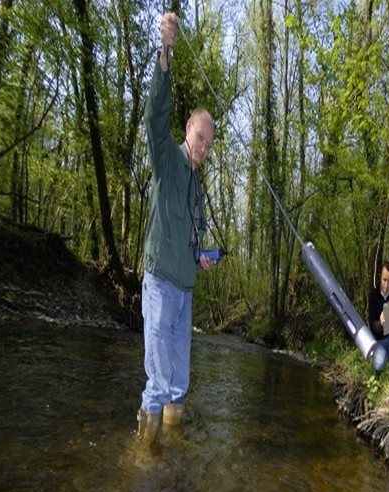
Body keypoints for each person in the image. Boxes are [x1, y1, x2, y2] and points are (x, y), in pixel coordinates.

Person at [136, 12, 218, 446]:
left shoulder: (199, 190)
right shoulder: (167, 156)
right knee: (158, 381)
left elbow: (191, 239)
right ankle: (144, 461)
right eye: (200, 137)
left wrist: (200, 256)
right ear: (188, 128)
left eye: (209, 143)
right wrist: (165, 55)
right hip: (159, 284)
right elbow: (155, 112)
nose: (204, 148)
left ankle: (171, 457)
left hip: (186, 289)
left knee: (179, 383)